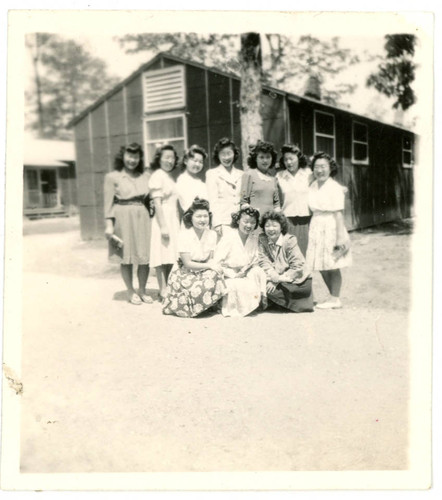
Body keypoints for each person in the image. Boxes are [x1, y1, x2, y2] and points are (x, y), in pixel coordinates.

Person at [104, 143, 153, 305]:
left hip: (143, 216)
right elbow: (108, 204)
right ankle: (131, 291)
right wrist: (109, 225)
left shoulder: (145, 176)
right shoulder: (112, 177)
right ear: (123, 157)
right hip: (122, 217)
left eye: (136, 156)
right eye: (129, 156)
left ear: (140, 158)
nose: (132, 160)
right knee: (126, 257)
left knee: (144, 256)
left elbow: (151, 200)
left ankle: (143, 290)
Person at [162, 198, 226, 318]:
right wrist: (209, 266)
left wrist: (213, 266)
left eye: (205, 216)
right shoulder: (183, 235)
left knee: (216, 274)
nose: (202, 220)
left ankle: (204, 304)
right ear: (191, 217)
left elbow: (210, 259)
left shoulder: (212, 235)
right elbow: (187, 263)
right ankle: (194, 306)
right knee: (193, 286)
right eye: (198, 216)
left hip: (203, 270)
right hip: (184, 272)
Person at [306, 152, 352, 309]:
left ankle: (335, 298)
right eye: (316, 167)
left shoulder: (334, 187)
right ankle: (332, 297)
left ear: (330, 168)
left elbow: (339, 213)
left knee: (333, 263)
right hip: (316, 225)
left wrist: (340, 237)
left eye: (323, 167)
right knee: (321, 264)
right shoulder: (312, 185)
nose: (320, 170)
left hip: (331, 225)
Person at [213, 205, 267, 317]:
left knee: (258, 272)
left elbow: (254, 261)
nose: (249, 225)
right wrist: (233, 274)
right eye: (246, 221)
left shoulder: (254, 239)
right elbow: (217, 262)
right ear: (238, 221)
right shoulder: (229, 238)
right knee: (237, 285)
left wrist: (245, 270)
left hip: (245, 272)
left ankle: (260, 300)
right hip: (228, 274)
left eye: (252, 222)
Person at [258, 211, 314, 312]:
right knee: (258, 286)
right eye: (267, 226)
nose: (271, 229)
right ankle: (276, 303)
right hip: (275, 278)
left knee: (267, 290)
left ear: (281, 227)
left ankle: (284, 303)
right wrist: (272, 274)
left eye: (274, 225)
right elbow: (263, 260)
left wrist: (277, 280)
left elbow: (297, 267)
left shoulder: (289, 240)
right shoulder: (263, 239)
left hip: (296, 281)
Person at [148, 144, 181, 301]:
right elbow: (157, 203)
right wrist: (163, 226)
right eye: (166, 157)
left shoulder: (168, 176)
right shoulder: (157, 176)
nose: (169, 160)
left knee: (169, 254)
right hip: (163, 218)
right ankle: (162, 289)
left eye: (172, 158)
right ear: (159, 159)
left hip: (172, 218)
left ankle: (167, 287)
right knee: (161, 254)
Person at [276, 144, 313, 256]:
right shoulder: (279, 176)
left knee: (306, 253)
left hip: (306, 220)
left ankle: (306, 274)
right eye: (286, 159)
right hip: (288, 221)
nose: (289, 162)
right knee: (289, 254)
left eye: (291, 159)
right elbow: (276, 199)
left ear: (299, 158)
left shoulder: (308, 174)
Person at [206, 137, 243, 238]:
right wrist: (217, 224)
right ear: (218, 156)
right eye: (222, 154)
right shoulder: (212, 174)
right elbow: (213, 200)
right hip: (223, 223)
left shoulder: (241, 174)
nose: (226, 157)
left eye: (229, 153)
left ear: (234, 154)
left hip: (240, 223)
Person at [240, 140, 280, 222]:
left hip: (270, 223)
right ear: (255, 159)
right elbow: (243, 201)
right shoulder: (249, 175)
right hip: (254, 221)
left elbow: (276, 204)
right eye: (261, 157)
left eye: (268, 157)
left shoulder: (273, 178)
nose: (265, 161)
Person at [176, 145, 208, 213]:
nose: (197, 164)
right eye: (195, 160)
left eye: (200, 162)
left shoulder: (200, 182)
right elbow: (187, 205)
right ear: (185, 161)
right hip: (190, 219)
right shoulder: (182, 180)